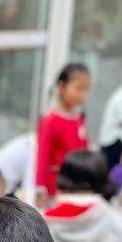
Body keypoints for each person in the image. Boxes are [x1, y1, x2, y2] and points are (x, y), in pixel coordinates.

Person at [36, 63, 91, 201]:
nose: (83, 95)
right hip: (56, 185)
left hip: (78, 184)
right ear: (61, 87)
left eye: (86, 89)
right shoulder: (50, 119)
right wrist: (40, 188)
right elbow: (42, 155)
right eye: (78, 88)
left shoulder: (79, 117)